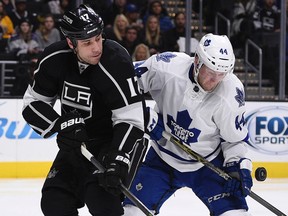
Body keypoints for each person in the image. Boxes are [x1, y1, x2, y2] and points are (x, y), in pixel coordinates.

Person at [22, 4, 147, 216]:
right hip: (79, 144)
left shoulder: (116, 61)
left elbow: (132, 120)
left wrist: (118, 157)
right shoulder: (54, 59)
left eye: (98, 38)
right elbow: (32, 102)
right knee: (54, 203)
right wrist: (60, 125)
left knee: (102, 201)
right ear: (71, 42)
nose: (97, 47)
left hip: (114, 142)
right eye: (87, 42)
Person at [123, 33, 253, 216]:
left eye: (221, 74)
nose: (215, 80)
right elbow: (122, 86)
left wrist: (237, 167)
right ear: (197, 61)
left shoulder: (231, 92)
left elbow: (234, 140)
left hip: (208, 165)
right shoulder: (166, 67)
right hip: (162, 160)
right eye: (211, 72)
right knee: (131, 213)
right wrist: (142, 114)